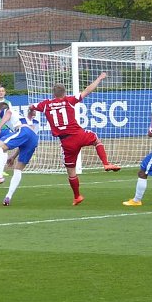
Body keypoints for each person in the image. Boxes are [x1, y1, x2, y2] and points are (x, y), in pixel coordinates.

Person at [29, 72, 120, 206]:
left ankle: (77, 196)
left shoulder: (45, 104)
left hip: (66, 142)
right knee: (96, 140)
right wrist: (99, 78)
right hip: (78, 135)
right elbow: (87, 90)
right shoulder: (69, 100)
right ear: (64, 93)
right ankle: (106, 163)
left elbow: (31, 107)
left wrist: (32, 112)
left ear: (53, 94)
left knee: (71, 171)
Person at [0, 102, 40, 206]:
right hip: (32, 138)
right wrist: (14, 157)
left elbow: (8, 112)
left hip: (24, 131)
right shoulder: (18, 118)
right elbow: (24, 139)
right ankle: (8, 197)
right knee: (18, 169)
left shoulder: (7, 110)